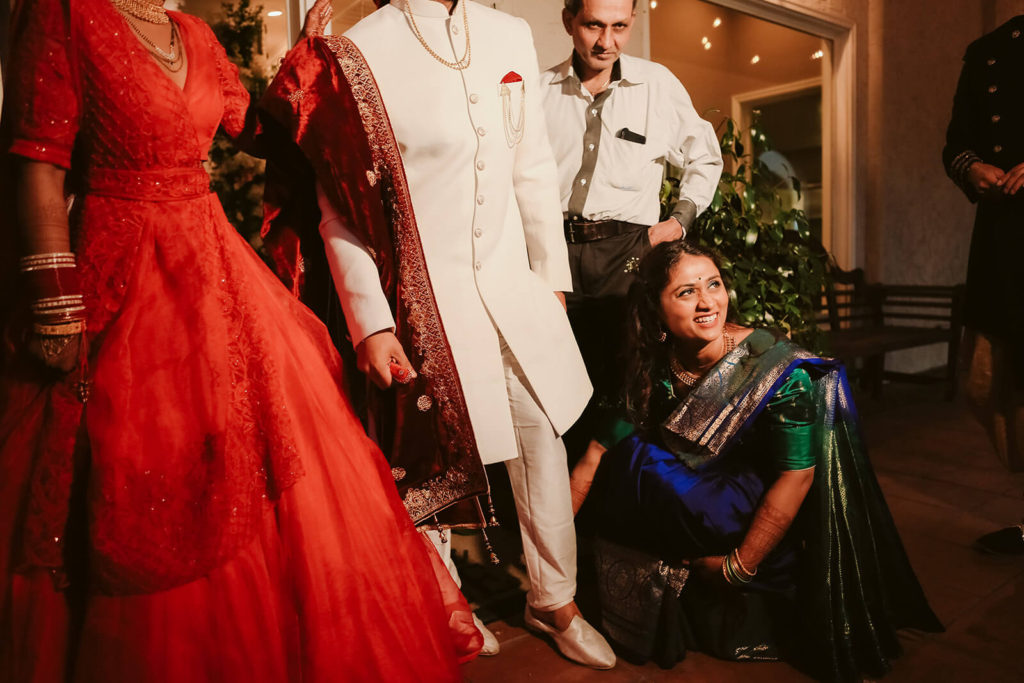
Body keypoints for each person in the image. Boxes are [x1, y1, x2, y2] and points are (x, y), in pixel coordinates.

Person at [0, 1, 482, 681]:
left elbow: (259, 129)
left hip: (213, 265)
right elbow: (36, 163)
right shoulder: (64, 14)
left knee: (270, 457)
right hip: (120, 275)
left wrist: (312, 66)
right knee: (142, 466)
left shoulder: (191, 32)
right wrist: (55, 303)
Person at [257, 0, 616, 670]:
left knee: (541, 434)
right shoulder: (358, 52)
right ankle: (442, 602)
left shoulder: (508, 33)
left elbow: (531, 170)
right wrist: (372, 322)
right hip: (426, 303)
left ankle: (555, 599)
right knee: (432, 466)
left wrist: (551, 281)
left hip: (516, 290)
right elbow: (339, 206)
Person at [576, 241, 943, 680]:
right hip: (693, 490)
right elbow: (597, 451)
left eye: (713, 284)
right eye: (686, 292)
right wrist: (556, 553)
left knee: (652, 472)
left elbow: (797, 475)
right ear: (656, 310)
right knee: (626, 457)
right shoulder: (657, 360)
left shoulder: (777, 371)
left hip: (747, 502)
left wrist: (738, 566)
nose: (708, 301)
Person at [540, 0, 723, 491]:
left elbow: (704, 158)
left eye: (620, 27)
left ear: (633, 24)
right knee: (554, 386)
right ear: (568, 22)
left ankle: (614, 509)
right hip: (552, 252)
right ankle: (561, 513)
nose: (606, 42)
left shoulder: (656, 85)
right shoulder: (538, 91)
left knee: (625, 384)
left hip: (629, 250)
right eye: (593, 25)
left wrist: (677, 223)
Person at [942, 14, 1024, 555]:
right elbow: (956, 144)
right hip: (1003, 238)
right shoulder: (990, 49)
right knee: (1000, 383)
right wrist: (970, 169)